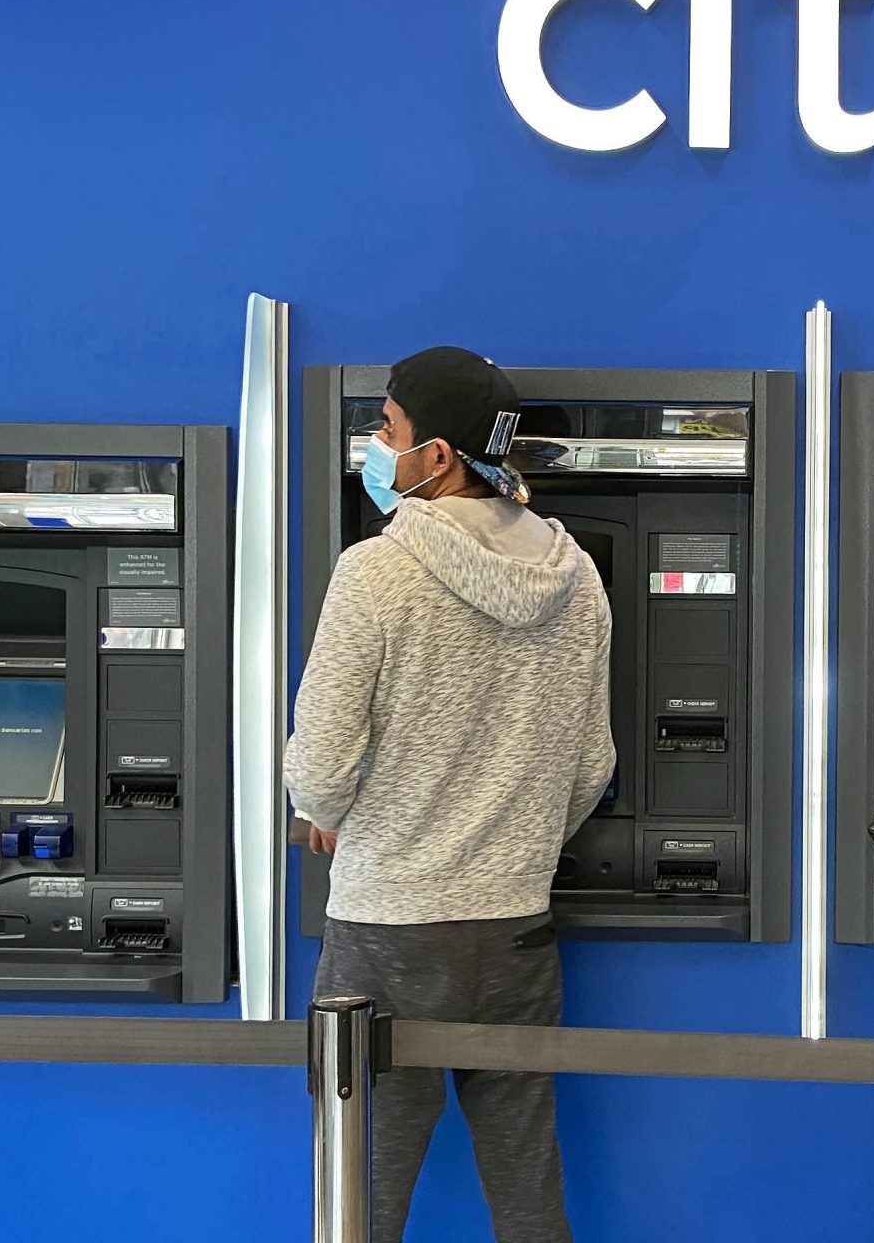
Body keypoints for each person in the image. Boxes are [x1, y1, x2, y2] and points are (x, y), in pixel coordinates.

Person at [286, 345, 616, 1243]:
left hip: (386, 932)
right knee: (525, 1182)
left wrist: (326, 815)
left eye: (386, 428)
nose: (375, 445)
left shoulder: (376, 572)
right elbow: (592, 765)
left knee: (360, 1192)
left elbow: (317, 765)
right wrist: (509, 839)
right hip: (515, 928)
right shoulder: (578, 579)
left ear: (434, 458)